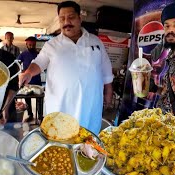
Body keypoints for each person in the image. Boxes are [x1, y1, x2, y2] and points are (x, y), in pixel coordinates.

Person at [19, 1, 114, 134]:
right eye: (62, 18)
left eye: (71, 17)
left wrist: (108, 94)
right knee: (60, 144)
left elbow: (106, 70)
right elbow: (39, 63)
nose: (66, 22)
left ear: (80, 19)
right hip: (60, 108)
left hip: (90, 106)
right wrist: (28, 72)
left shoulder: (95, 41)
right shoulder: (52, 45)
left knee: (88, 142)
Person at [18, 36, 42, 121]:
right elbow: (17, 64)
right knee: (27, 99)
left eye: (33, 45)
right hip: (26, 81)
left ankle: (40, 116)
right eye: (30, 45)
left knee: (39, 99)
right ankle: (30, 115)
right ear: (26, 44)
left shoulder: (39, 54)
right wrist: (21, 72)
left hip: (37, 80)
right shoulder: (23, 54)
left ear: (35, 45)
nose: (31, 46)